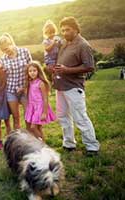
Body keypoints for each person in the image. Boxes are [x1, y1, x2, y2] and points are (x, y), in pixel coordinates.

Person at [46, 16, 100, 156]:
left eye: (68, 30)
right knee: (63, 116)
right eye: (62, 30)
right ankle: (69, 143)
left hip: (73, 86)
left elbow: (89, 67)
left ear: (76, 29)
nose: (64, 33)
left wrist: (66, 70)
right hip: (60, 86)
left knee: (80, 117)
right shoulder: (65, 43)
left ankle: (92, 147)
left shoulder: (83, 45)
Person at [0, 33, 32, 129]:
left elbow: (32, 70)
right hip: (11, 91)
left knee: (29, 115)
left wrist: (26, 87)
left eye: (6, 49)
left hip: (24, 89)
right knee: (16, 118)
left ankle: (31, 138)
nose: (5, 52)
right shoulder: (3, 59)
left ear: (11, 43)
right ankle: (18, 141)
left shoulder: (24, 52)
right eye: (3, 50)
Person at [24, 61, 56, 141]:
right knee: (38, 127)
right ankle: (42, 144)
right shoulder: (30, 82)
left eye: (34, 70)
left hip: (40, 107)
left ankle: (42, 144)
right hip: (32, 107)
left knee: (33, 127)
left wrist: (44, 112)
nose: (32, 73)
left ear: (38, 71)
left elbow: (45, 99)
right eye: (30, 71)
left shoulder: (41, 83)